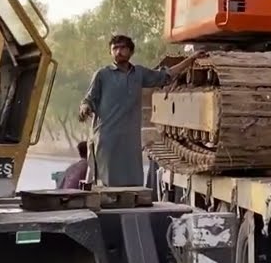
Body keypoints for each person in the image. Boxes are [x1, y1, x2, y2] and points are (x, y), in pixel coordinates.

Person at [78, 35, 203, 187]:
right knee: (107, 183)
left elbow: (166, 76)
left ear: (130, 51)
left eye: (123, 48)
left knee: (133, 182)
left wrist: (191, 59)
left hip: (130, 139)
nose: (118, 52)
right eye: (115, 48)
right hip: (107, 138)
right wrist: (85, 108)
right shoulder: (102, 75)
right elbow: (89, 99)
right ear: (110, 52)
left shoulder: (139, 73)